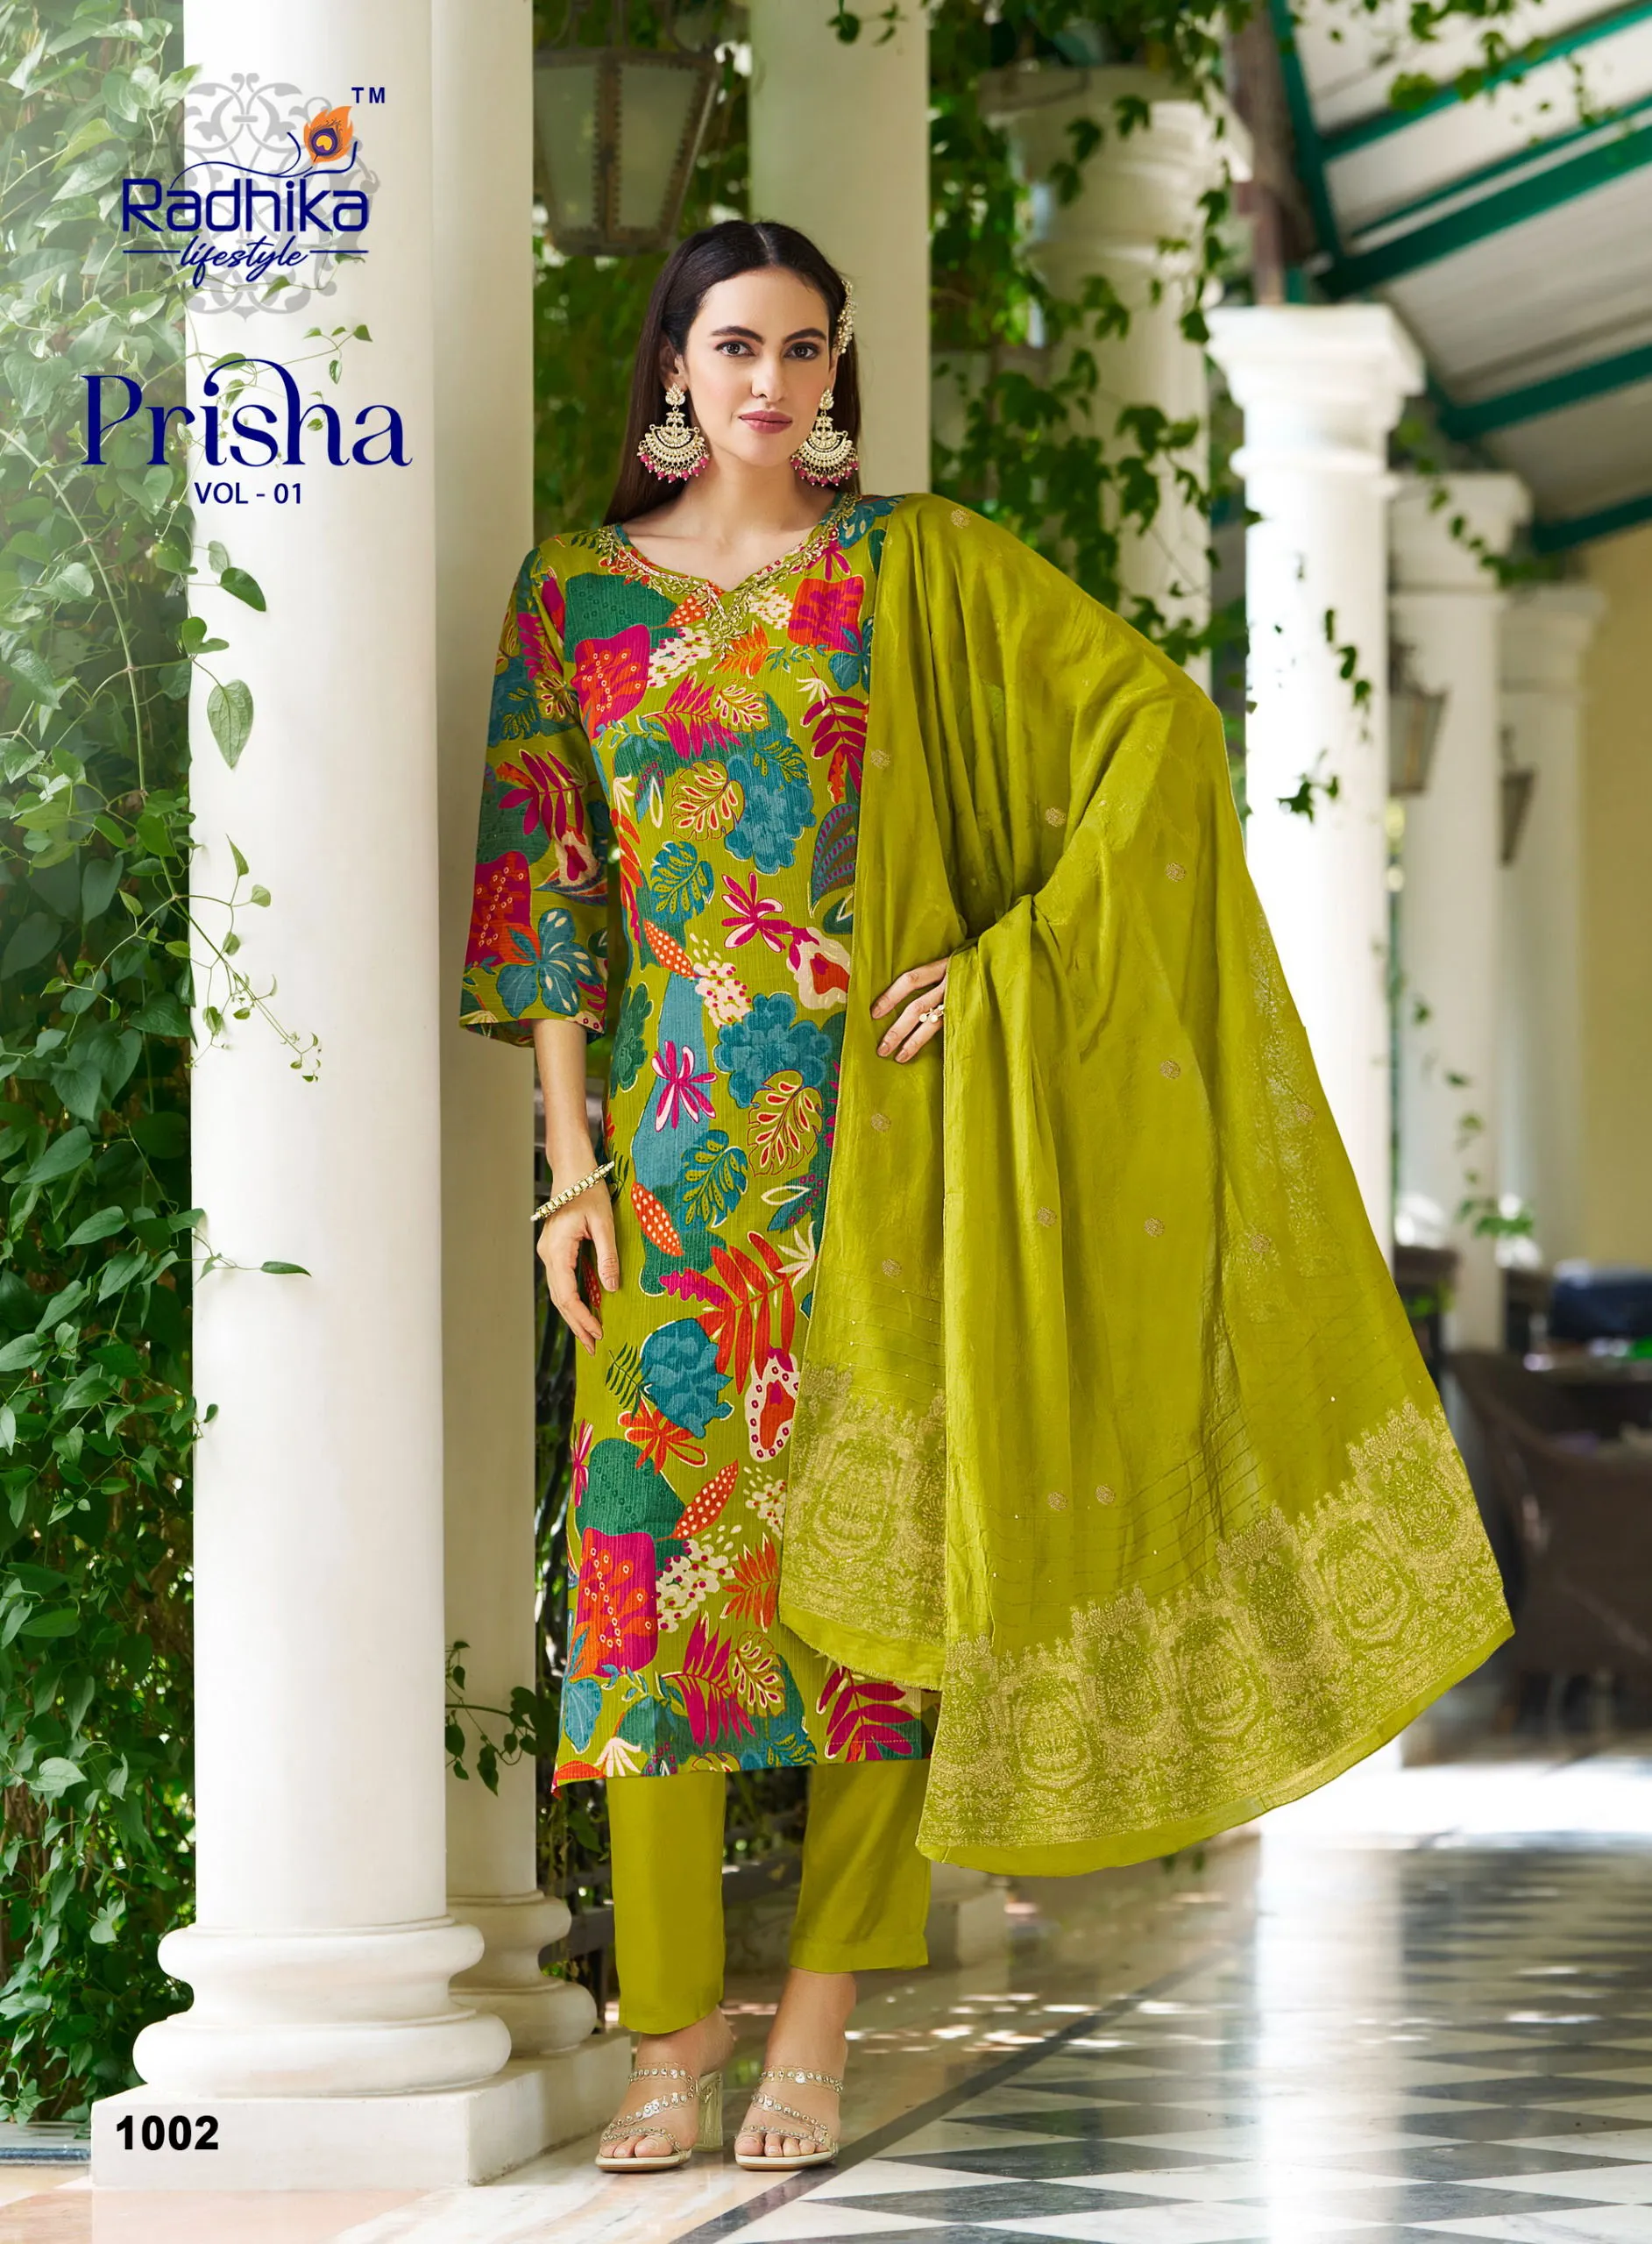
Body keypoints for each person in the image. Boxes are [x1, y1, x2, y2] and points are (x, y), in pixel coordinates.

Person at [460, 219, 1512, 2175]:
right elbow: (549, 892)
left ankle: (815, 2028)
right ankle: (674, 2038)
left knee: (876, 1614)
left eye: (804, 349)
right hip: (675, 1179)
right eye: (735, 346)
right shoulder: (576, 596)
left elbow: (1153, 727)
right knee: (644, 1606)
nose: (771, 382)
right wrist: (569, 1165)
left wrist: (1010, 963)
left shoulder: (911, 570)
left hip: (892, 1155)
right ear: (674, 369)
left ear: (835, 372)